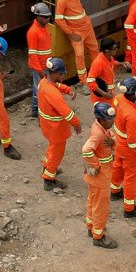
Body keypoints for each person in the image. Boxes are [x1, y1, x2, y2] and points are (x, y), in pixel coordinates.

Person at [37, 56, 81, 191]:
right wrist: (77, 123)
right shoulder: (53, 93)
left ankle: (47, 165)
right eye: (62, 74)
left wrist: (68, 90)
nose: (63, 76)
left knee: (52, 148)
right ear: (55, 73)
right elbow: (66, 112)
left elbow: (57, 85)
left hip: (48, 126)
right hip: (56, 129)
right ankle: (49, 179)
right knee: (57, 154)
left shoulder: (44, 83)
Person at [82, 101, 119, 248]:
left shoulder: (99, 126)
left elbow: (110, 136)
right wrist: (96, 165)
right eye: (110, 119)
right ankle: (98, 236)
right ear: (102, 119)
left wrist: (112, 141)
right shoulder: (98, 133)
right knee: (101, 206)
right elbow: (86, 150)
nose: (113, 121)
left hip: (96, 176)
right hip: (101, 175)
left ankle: (92, 227)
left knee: (93, 201)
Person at [112, 77, 136, 217]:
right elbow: (132, 140)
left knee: (118, 167)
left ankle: (114, 191)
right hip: (130, 151)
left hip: (119, 145)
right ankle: (129, 209)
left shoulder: (118, 99)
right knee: (131, 177)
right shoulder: (132, 116)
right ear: (133, 93)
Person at [54, 0, 98, 77]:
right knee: (79, 55)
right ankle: (84, 81)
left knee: (95, 51)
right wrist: (71, 33)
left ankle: (100, 74)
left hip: (87, 28)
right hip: (76, 32)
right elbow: (58, 19)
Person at [24, 3, 55, 118]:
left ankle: (38, 109)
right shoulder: (33, 32)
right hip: (38, 67)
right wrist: (40, 70)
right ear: (38, 17)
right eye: (45, 17)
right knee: (39, 89)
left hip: (45, 65)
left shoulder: (44, 28)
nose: (48, 19)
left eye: (48, 17)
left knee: (40, 87)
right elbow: (33, 54)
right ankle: (37, 111)